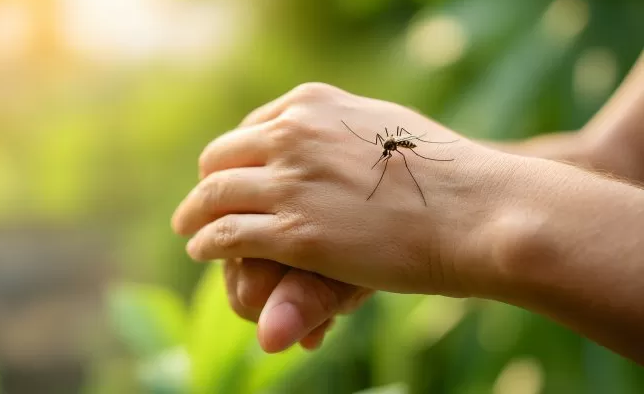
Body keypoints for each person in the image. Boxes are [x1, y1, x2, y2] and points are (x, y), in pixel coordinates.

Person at [171, 49, 644, 365]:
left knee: (406, 159)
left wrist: (465, 217)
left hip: (412, 152)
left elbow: (414, 157)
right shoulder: (386, 149)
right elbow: (614, 160)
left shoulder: (399, 153)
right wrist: (458, 175)